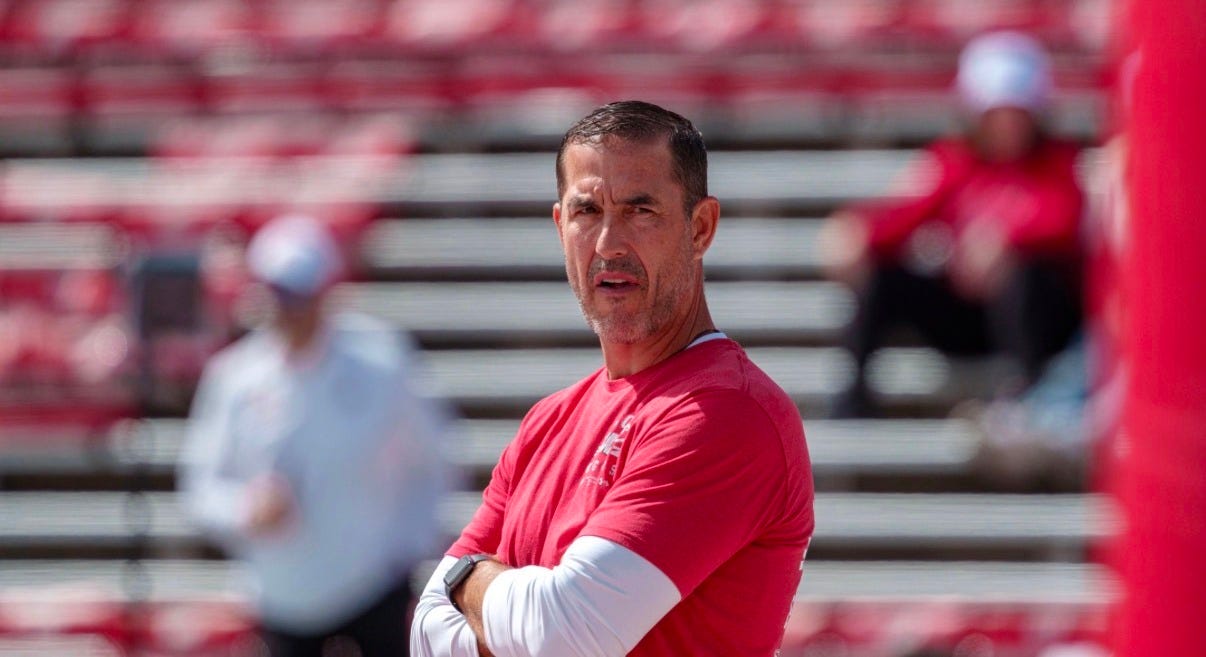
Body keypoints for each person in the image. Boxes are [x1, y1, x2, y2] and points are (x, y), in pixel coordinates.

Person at [411, 101, 815, 657]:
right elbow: (424, 634)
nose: (608, 243)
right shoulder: (548, 421)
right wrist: (522, 613)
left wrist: (467, 579)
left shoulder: (726, 412)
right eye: (587, 211)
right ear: (560, 227)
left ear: (701, 228)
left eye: (640, 210)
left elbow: (562, 636)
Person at [179, 214, 454, 657]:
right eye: (280, 294)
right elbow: (200, 488)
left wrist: (407, 551)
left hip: (373, 586)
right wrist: (246, 510)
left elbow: (430, 459)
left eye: (299, 295)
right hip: (282, 595)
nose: (290, 310)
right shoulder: (234, 378)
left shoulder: (380, 361)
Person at [820, 31, 1085, 417]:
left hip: (1040, 323)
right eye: (995, 114)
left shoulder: (1059, 164)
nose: (1007, 126)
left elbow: (1066, 222)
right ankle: (854, 396)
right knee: (882, 280)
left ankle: (1029, 394)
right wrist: (857, 233)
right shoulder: (952, 163)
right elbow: (902, 218)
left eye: (1017, 113)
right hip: (967, 318)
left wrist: (1007, 242)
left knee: (1027, 279)